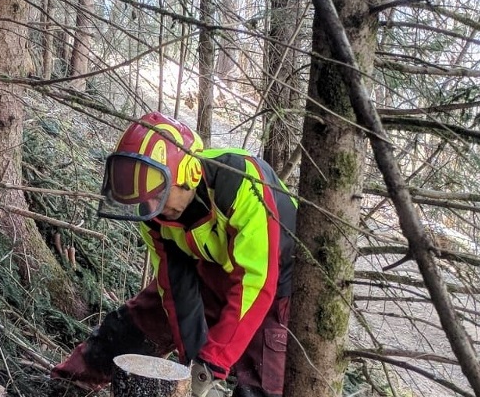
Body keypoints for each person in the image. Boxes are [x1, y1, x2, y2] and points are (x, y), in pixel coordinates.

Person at [52, 112, 297, 397]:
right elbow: (175, 284)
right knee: (141, 321)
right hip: (212, 268)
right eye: (143, 199)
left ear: (188, 176)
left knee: (263, 377)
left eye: (158, 194)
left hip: (277, 284)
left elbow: (256, 281)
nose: (149, 206)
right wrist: (193, 365)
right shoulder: (153, 215)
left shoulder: (239, 181)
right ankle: (69, 384)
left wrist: (214, 360)